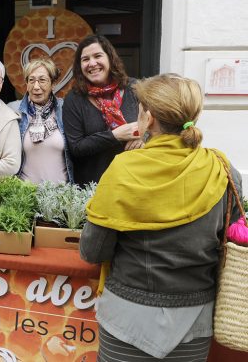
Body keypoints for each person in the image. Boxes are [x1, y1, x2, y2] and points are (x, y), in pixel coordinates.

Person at [80, 73, 243, 361]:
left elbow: (94, 251)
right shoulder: (222, 168)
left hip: (126, 319)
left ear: (150, 117)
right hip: (194, 320)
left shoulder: (123, 169)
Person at [62, 34, 141, 187]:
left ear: (110, 58)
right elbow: (76, 147)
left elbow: (155, 124)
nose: (92, 63)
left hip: (133, 182)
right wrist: (114, 136)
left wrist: (142, 136)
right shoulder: (74, 99)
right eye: (85, 59)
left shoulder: (135, 88)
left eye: (98, 56)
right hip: (93, 187)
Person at [14, 57, 73, 183]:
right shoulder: (14, 112)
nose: (36, 87)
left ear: (53, 84)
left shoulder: (66, 110)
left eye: (42, 80)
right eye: (31, 80)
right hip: (25, 196)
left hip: (61, 196)